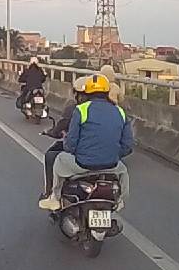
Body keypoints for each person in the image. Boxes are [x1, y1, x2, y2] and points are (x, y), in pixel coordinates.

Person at [39, 74, 133, 211]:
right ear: (107, 92)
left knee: (59, 159)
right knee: (123, 171)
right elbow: (127, 145)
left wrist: (77, 151)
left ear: (87, 93)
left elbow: (70, 144)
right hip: (111, 165)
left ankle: (55, 198)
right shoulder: (120, 112)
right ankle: (120, 201)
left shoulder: (81, 110)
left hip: (83, 164)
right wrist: (113, 155)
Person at [40, 77, 90, 201]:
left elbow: (69, 141)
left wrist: (57, 135)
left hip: (82, 155)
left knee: (52, 156)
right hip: (110, 159)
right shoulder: (113, 110)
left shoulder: (76, 110)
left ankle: (51, 194)